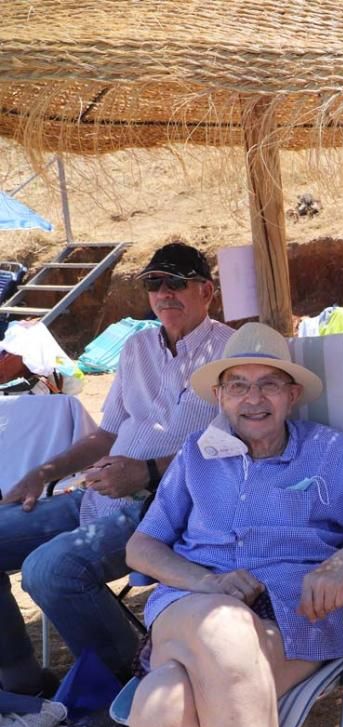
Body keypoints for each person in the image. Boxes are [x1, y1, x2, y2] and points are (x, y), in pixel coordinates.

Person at [124, 322, 343, 727]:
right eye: (238, 384)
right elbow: (141, 547)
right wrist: (207, 582)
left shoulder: (328, 452)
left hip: (293, 619)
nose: (252, 398)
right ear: (220, 395)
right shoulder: (197, 454)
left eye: (269, 384)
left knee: (160, 707)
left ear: (292, 394)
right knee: (221, 625)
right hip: (189, 605)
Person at [0, 242, 233, 692]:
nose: (164, 293)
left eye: (177, 282)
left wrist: (146, 472)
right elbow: (107, 435)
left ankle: (138, 686)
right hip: (98, 494)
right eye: (154, 283)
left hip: (167, 506)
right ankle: (22, 678)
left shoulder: (231, 352)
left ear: (206, 291)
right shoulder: (137, 346)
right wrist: (43, 473)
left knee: (50, 572)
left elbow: (233, 444)